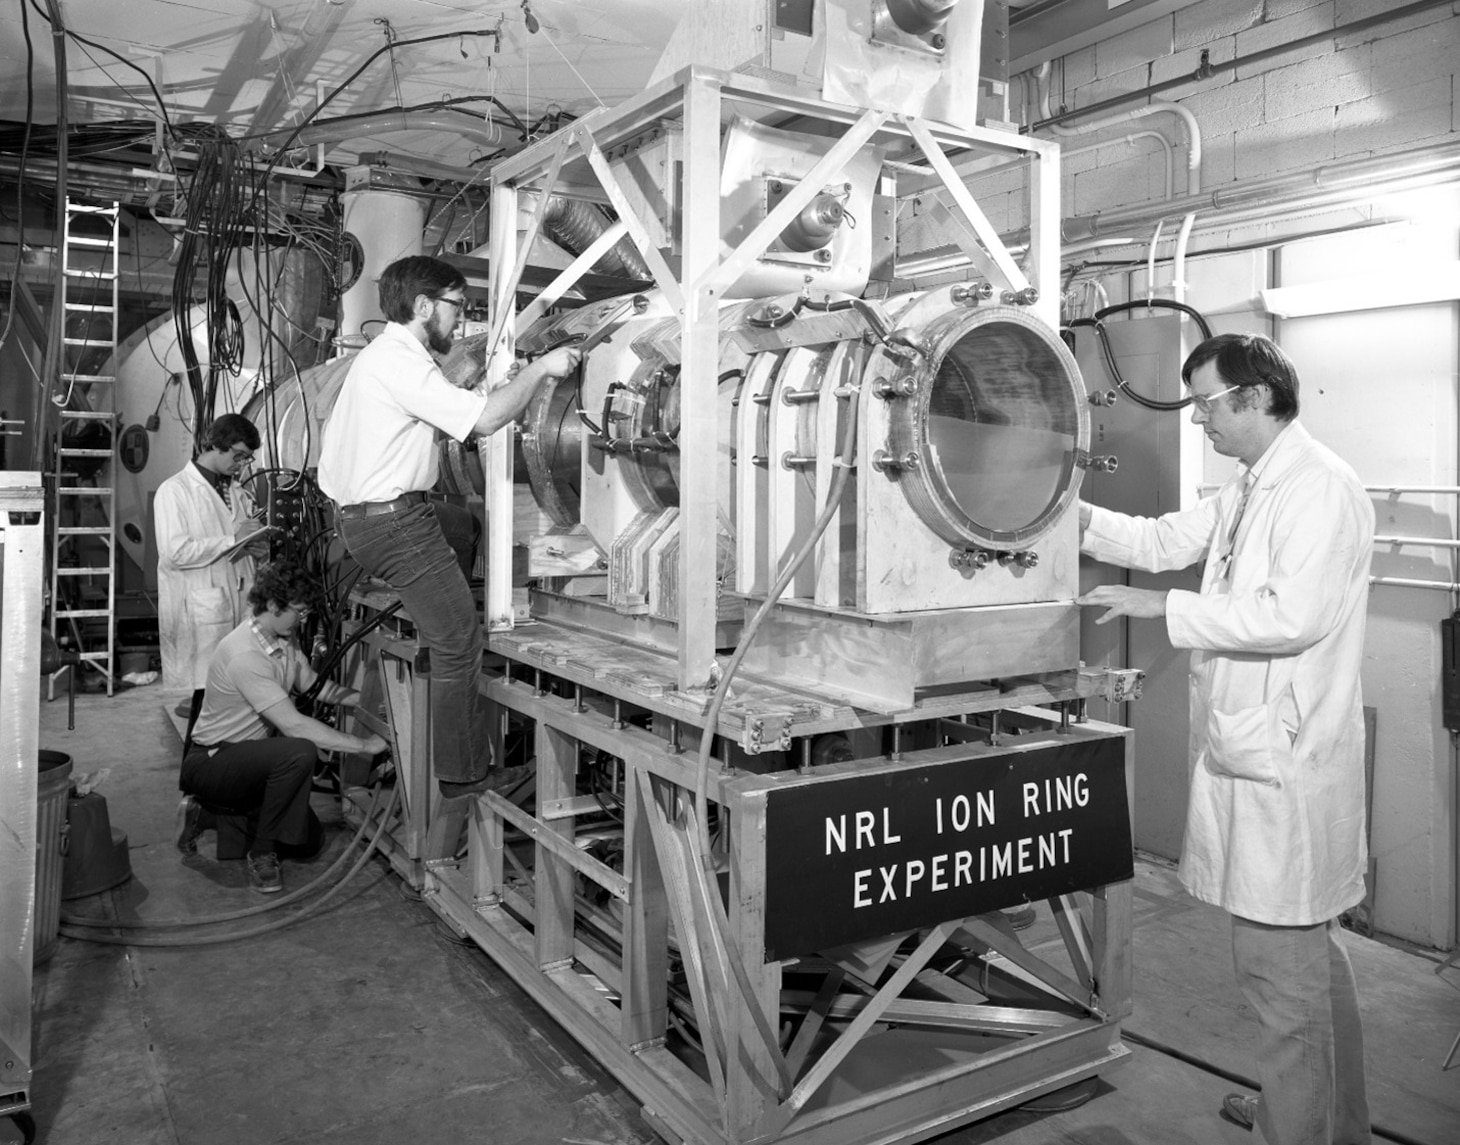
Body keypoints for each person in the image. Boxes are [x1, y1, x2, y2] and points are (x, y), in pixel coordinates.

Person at [1077, 333, 1374, 1145]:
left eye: (1206, 404)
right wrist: (1059, 512)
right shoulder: (1251, 482)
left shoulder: (1319, 488)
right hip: (1262, 755)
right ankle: (1329, 1119)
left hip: (1287, 770)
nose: (1198, 419)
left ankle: (1297, 1126)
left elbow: (1291, 617)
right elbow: (1161, 542)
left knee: (1282, 980)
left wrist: (1165, 608)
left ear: (1256, 396)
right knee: (1309, 965)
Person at [317, 255, 581, 800]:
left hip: (369, 520)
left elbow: (453, 415)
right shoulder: (400, 363)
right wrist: (541, 371)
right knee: (461, 640)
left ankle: (440, 621)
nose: (460, 319)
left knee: (461, 526)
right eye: (456, 306)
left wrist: (505, 386)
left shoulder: (385, 357)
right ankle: (464, 775)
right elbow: (484, 420)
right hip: (394, 524)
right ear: (423, 305)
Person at [175, 560, 388, 893]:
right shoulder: (245, 655)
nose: (302, 619)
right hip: (213, 762)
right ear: (274, 605)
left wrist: (366, 701)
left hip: (251, 760)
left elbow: (313, 685)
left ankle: (206, 815)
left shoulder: (282, 640)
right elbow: (294, 726)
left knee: (308, 842)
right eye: (299, 612)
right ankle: (262, 854)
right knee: (298, 751)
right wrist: (367, 746)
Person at [154, 413, 275, 713]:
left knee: (234, 697)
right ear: (217, 445)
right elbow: (175, 552)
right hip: (202, 611)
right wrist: (233, 539)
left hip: (239, 605)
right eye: (239, 455)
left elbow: (237, 545)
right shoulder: (175, 490)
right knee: (206, 699)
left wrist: (257, 550)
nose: (242, 464)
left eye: (247, 458)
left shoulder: (236, 492)